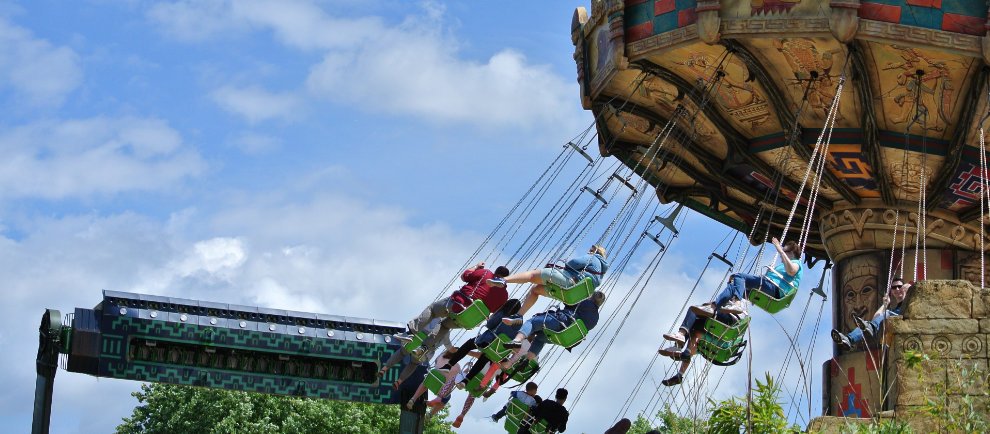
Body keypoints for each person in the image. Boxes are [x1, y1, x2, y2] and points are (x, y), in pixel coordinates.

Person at [396, 262, 510, 352]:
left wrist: (476, 267)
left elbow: (465, 276)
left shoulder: (486, 273)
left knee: (432, 310)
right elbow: (494, 310)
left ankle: (410, 333)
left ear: (495, 272)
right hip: (469, 320)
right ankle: (424, 348)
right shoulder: (504, 296)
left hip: (458, 305)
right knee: (444, 326)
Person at [691, 237, 801, 317]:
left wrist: (779, 249)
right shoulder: (783, 265)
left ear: (790, 252)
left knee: (739, 276)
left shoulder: (796, 263)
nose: (781, 255)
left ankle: (737, 303)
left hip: (774, 289)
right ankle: (714, 307)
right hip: (770, 287)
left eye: (785, 251)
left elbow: (792, 271)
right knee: (735, 283)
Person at [499, 245, 609, 315]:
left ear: (595, 251)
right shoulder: (600, 275)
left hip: (568, 280)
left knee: (532, 275)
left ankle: (504, 280)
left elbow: (573, 263)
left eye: (590, 250)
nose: (589, 251)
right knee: (535, 290)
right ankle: (519, 316)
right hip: (570, 295)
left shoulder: (592, 258)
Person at [657, 306, 747, 386]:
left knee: (695, 329)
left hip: (723, 342)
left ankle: (680, 346)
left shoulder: (737, 303)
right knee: (694, 332)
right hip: (718, 344)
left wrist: (707, 307)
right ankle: (680, 374)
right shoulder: (738, 308)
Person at [440, 299, 523, 384]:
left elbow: (490, 324)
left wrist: (492, 317)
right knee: (485, 358)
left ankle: (449, 365)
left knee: (469, 344)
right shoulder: (519, 323)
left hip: (487, 340)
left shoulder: (503, 314)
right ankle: (466, 380)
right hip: (498, 349)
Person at [503, 291, 605, 358]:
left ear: (591, 297)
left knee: (532, 322)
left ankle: (517, 341)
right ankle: (528, 358)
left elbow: (568, 301)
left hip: (560, 323)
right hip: (563, 338)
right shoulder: (596, 319)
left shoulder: (584, 302)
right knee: (540, 338)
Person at [832, 278, 911, 350]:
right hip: (893, 327)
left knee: (886, 314)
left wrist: (910, 288)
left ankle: (871, 328)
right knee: (866, 325)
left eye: (899, 286)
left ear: (903, 287)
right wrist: (885, 305)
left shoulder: (909, 300)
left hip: (906, 322)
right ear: (892, 291)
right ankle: (849, 339)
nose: (897, 289)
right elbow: (876, 318)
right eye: (894, 287)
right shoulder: (893, 310)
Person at [379, 317, 453, 386]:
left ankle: (384, 369)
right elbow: (447, 344)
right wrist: (454, 350)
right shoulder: (446, 332)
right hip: (424, 351)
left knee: (401, 353)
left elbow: (415, 322)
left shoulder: (433, 316)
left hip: (414, 341)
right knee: (413, 363)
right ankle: (399, 381)